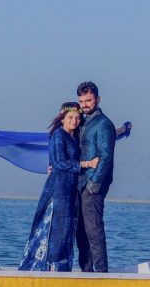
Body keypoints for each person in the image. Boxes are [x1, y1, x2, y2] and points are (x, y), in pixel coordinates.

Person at [20, 102, 99, 272]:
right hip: (58, 190)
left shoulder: (75, 138)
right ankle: (46, 267)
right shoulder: (58, 135)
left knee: (66, 230)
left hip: (71, 190)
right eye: (70, 117)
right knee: (54, 228)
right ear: (62, 119)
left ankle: (62, 269)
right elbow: (59, 162)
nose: (75, 121)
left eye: (78, 118)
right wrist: (86, 164)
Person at [75, 81, 116, 273]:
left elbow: (106, 156)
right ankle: (86, 271)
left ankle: (101, 272)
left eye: (89, 100)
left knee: (93, 230)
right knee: (80, 232)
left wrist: (95, 183)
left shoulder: (104, 124)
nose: (85, 104)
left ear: (98, 99)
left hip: (93, 184)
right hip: (79, 182)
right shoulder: (82, 121)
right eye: (82, 101)